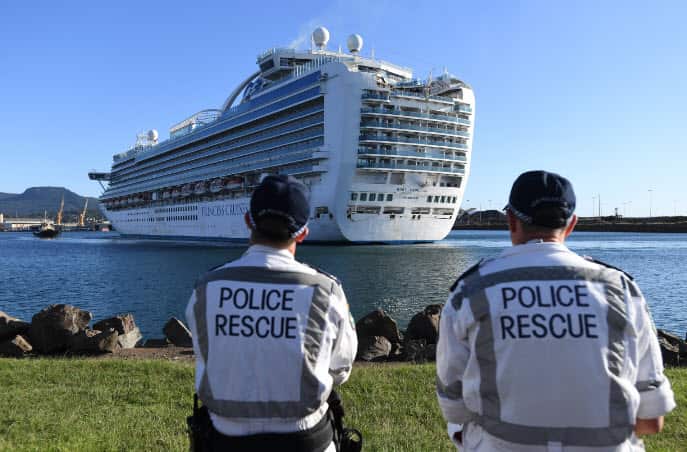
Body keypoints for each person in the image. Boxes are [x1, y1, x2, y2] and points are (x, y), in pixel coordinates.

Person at [436, 170, 676, 451]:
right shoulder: (620, 290)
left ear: (511, 221)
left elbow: (454, 409)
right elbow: (651, 421)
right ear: (571, 224)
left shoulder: (471, 290)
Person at [185, 174, 358, 452]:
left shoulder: (207, 288)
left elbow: (207, 354)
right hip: (306, 440)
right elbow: (341, 368)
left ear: (247, 222)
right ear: (303, 233)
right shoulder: (327, 291)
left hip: (223, 440)